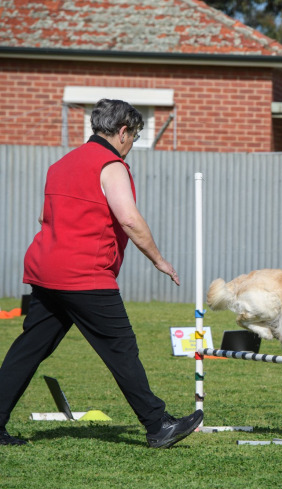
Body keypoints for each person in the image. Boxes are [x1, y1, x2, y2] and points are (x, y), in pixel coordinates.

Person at [0, 99, 203, 448]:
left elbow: (43, 219)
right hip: (84, 275)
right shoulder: (111, 165)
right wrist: (158, 259)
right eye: (134, 136)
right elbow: (128, 219)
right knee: (121, 348)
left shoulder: (61, 164)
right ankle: (157, 426)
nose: (132, 145)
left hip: (46, 271)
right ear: (122, 131)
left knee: (29, 348)